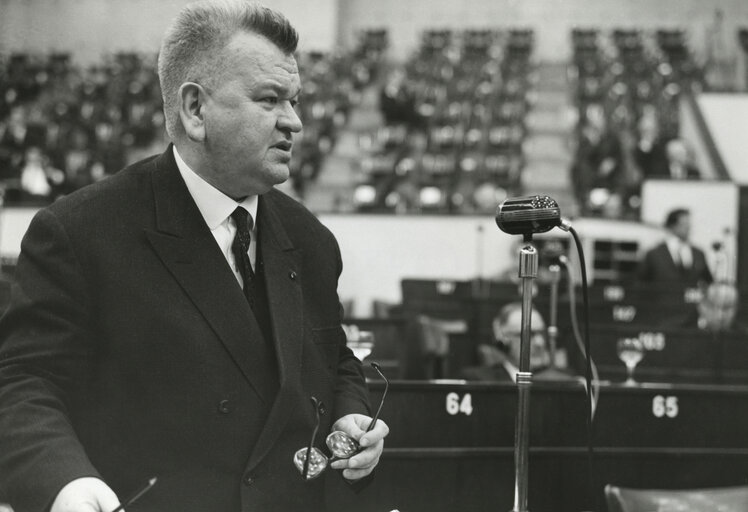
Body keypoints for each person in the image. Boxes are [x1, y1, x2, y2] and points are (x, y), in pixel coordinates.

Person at [0, 2, 388, 512]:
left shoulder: (311, 240)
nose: (294, 122)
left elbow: (336, 361)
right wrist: (67, 486)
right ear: (195, 110)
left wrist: (349, 415)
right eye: (270, 100)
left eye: (294, 101)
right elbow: (24, 384)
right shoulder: (80, 232)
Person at [460, 303, 556, 382]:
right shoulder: (479, 379)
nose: (540, 342)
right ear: (503, 338)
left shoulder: (561, 380)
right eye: (529, 335)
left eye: (542, 333)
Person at [637, 208, 713, 288]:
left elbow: (708, 281)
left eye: (688, 224)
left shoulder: (698, 254)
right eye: (683, 224)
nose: (688, 228)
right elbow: (641, 282)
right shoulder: (654, 254)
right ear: (672, 226)